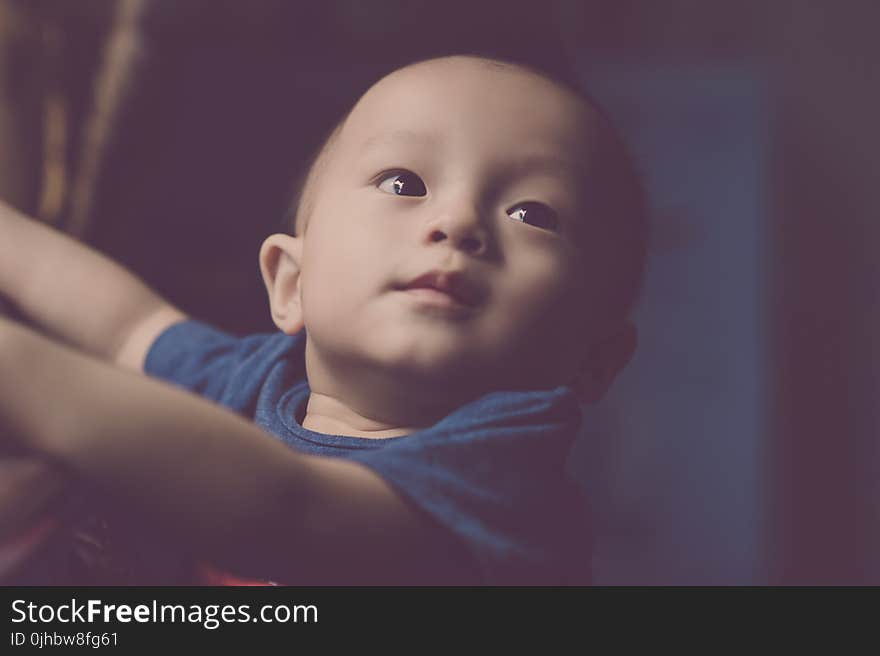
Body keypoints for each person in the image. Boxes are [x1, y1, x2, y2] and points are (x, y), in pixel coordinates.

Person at [0, 54, 647, 585]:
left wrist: (21, 369)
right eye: (403, 184)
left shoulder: (509, 480)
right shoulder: (255, 381)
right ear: (290, 282)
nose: (457, 223)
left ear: (596, 358)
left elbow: (290, 513)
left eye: (533, 214)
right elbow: (126, 326)